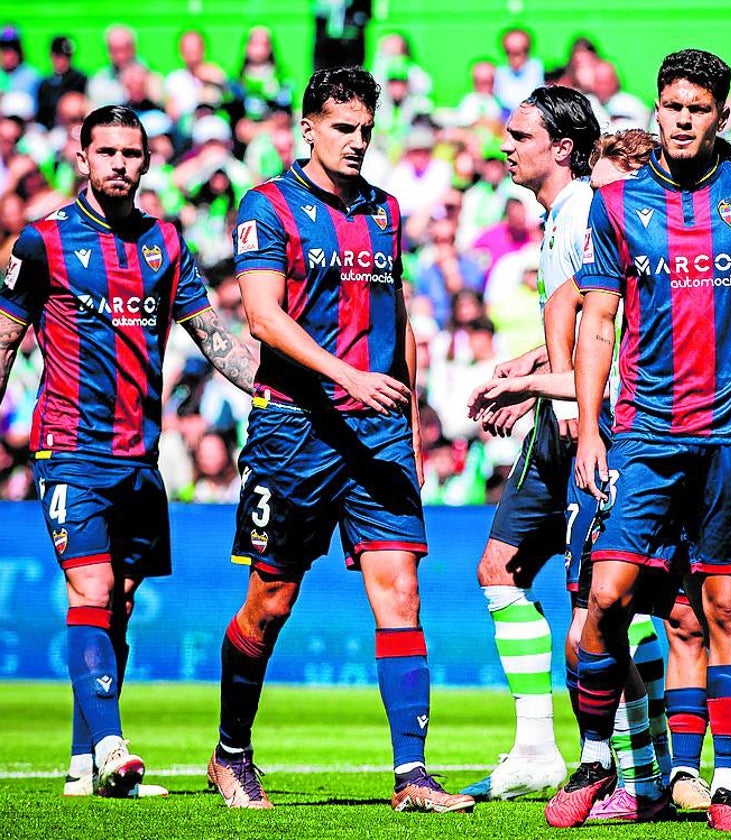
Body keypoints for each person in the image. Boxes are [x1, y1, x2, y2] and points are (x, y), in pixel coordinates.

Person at [553, 48, 731, 832]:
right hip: (643, 432)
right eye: (672, 106)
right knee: (604, 600)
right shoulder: (615, 205)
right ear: (658, 107)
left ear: (721, 117)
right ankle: (598, 757)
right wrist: (589, 429)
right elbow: (598, 321)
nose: (682, 120)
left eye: (698, 109)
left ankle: (727, 786)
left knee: (726, 607)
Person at [206, 66, 472, 815]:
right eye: (342, 128)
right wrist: (346, 376)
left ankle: (413, 776)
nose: (356, 142)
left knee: (402, 592)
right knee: (270, 602)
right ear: (309, 127)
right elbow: (262, 316)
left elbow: (402, 323)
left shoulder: (385, 212)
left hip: (379, 435)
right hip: (295, 430)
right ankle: (230, 752)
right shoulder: (268, 207)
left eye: (365, 129)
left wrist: (409, 426)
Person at [0, 105, 256, 799]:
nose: (119, 163)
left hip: (140, 456)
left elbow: (213, 338)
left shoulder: (165, 244)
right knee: (94, 589)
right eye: (106, 151)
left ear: (147, 162)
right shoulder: (42, 242)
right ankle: (112, 746)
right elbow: (3, 340)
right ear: (81, 158)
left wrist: (291, 380)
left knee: (122, 602)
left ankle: (84, 764)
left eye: (131, 152)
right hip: (69, 447)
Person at [459, 85, 600, 802]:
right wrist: (530, 365)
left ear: (563, 147)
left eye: (519, 136)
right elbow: (571, 331)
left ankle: (632, 762)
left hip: (587, 432)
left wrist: (540, 387)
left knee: (599, 615)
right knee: (498, 570)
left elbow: (609, 335)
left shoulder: (585, 216)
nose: (505, 146)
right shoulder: (553, 219)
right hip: (554, 424)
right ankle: (536, 749)